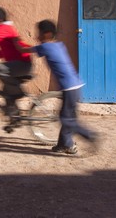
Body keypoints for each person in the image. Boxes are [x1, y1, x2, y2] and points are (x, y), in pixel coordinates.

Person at [15, 19, 98, 155]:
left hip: (69, 88)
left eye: (39, 33)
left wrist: (15, 40)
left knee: (66, 119)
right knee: (67, 116)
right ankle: (62, 144)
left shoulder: (45, 47)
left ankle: (88, 136)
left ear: (47, 34)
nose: (37, 36)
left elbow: (23, 49)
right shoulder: (59, 45)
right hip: (75, 86)